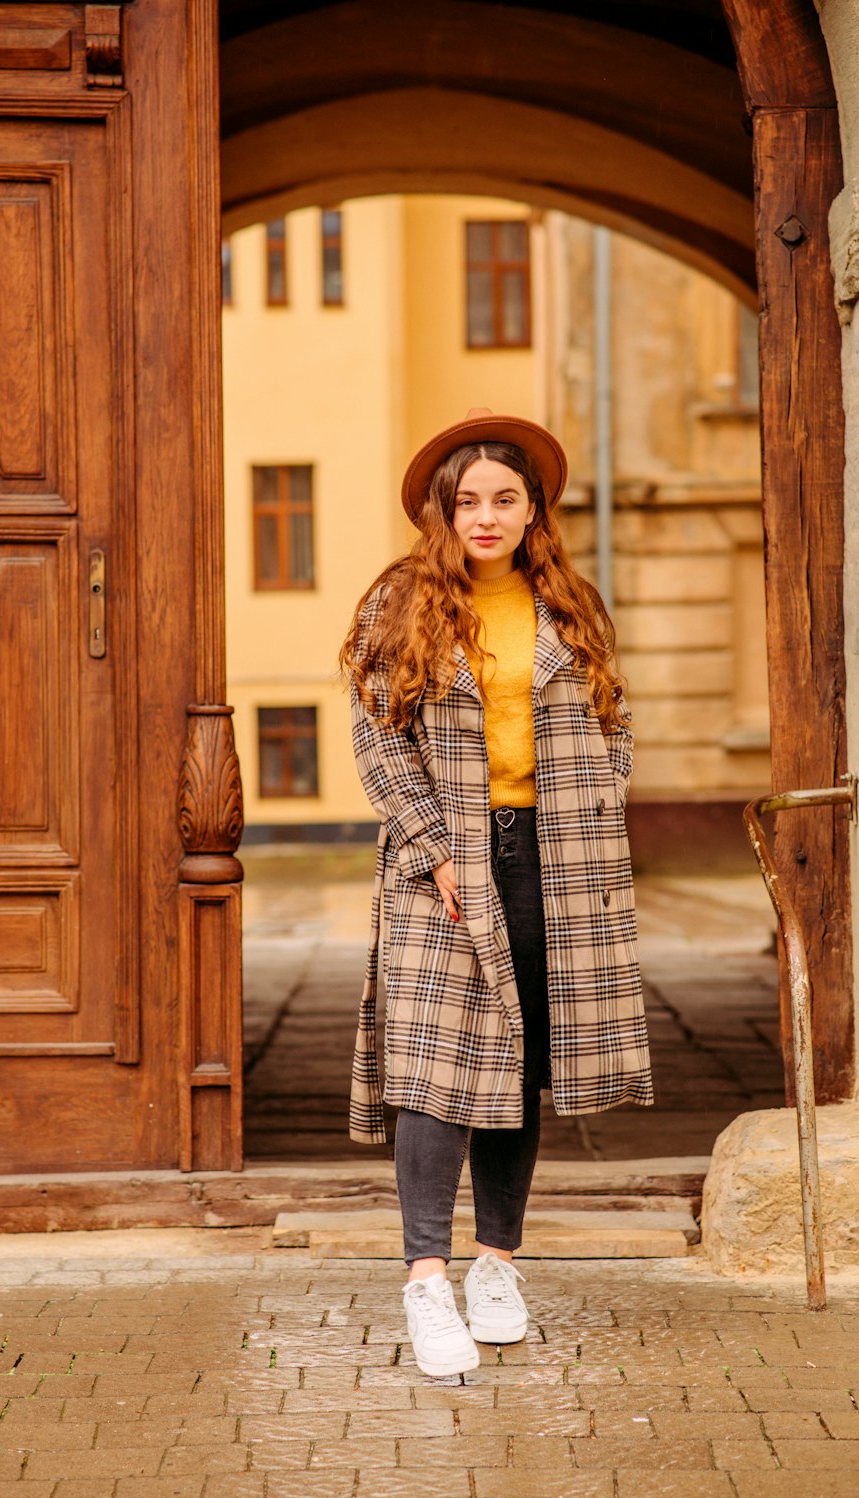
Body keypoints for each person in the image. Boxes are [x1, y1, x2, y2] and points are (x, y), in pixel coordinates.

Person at [339, 408, 653, 1379]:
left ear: (531, 511)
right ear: (443, 510)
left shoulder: (568, 604)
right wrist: (431, 850)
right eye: (467, 501)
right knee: (439, 1071)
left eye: (503, 500)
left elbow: (615, 722)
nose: (485, 516)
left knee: (519, 1072)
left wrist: (600, 812)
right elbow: (376, 738)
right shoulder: (399, 603)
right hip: (443, 865)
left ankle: (496, 1265)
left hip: (555, 863)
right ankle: (426, 1279)